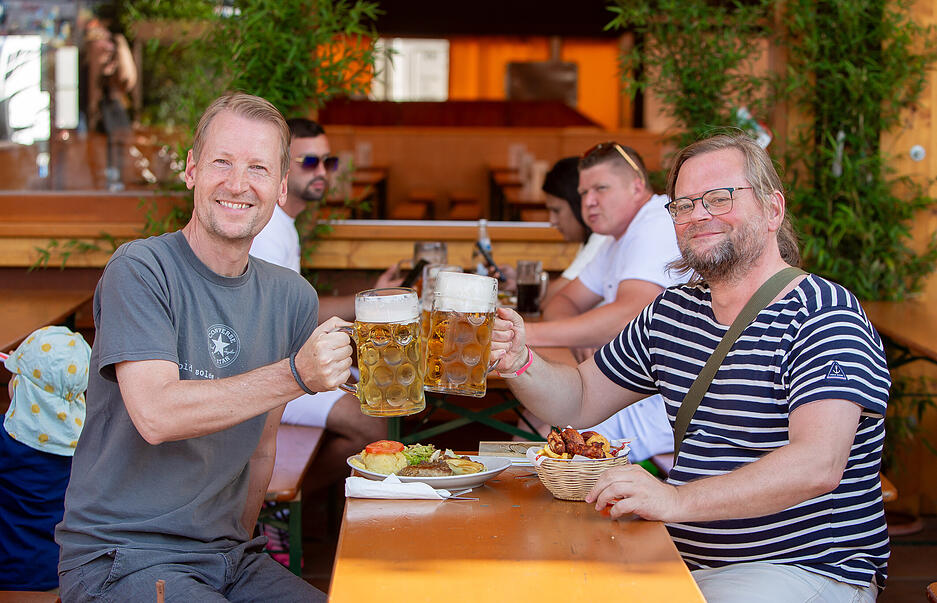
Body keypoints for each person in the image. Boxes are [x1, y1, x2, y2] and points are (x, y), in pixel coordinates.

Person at [491, 133, 889, 602]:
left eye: (719, 198)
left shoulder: (824, 313)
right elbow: (579, 399)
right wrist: (520, 362)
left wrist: (675, 500)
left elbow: (817, 464)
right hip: (683, 557)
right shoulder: (674, 313)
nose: (698, 215)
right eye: (682, 205)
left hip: (806, 570)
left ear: (772, 210)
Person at [56, 93, 351, 602]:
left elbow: (262, 447)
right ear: (191, 170)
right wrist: (296, 373)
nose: (238, 184)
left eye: (258, 168)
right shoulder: (141, 269)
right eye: (222, 162)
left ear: (280, 188)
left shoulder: (292, 297)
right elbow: (157, 415)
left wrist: (235, 543)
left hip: (230, 559)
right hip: (121, 558)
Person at [250, 118, 388, 491]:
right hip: (268, 373)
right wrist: (366, 307)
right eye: (310, 162)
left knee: (378, 398)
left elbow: (297, 307)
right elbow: (278, 321)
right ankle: (281, 504)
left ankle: (291, 503)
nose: (323, 172)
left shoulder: (284, 224)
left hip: (291, 361)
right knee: (373, 420)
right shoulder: (266, 231)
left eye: (330, 162)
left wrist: (368, 300)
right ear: (280, 164)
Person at [519, 145, 679, 462]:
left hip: (665, 403)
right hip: (632, 390)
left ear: (636, 186)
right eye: (583, 192)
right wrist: (586, 334)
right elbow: (560, 300)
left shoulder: (656, 225)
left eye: (600, 189)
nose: (588, 201)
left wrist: (527, 335)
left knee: (547, 442)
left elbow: (631, 314)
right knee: (539, 422)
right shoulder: (615, 237)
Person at [0, 326, 91, 591]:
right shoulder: (87, 446)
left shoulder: (6, 444)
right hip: (64, 571)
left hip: (10, 575)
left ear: (21, 388)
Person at [540, 156, 611, 306]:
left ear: (578, 204)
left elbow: (553, 298)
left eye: (556, 210)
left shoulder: (601, 237)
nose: (552, 220)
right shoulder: (592, 237)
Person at [82, 18, 136, 191]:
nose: (105, 46)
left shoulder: (113, 81)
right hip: (91, 128)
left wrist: (120, 46)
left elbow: (127, 80)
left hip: (112, 125)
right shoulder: (83, 70)